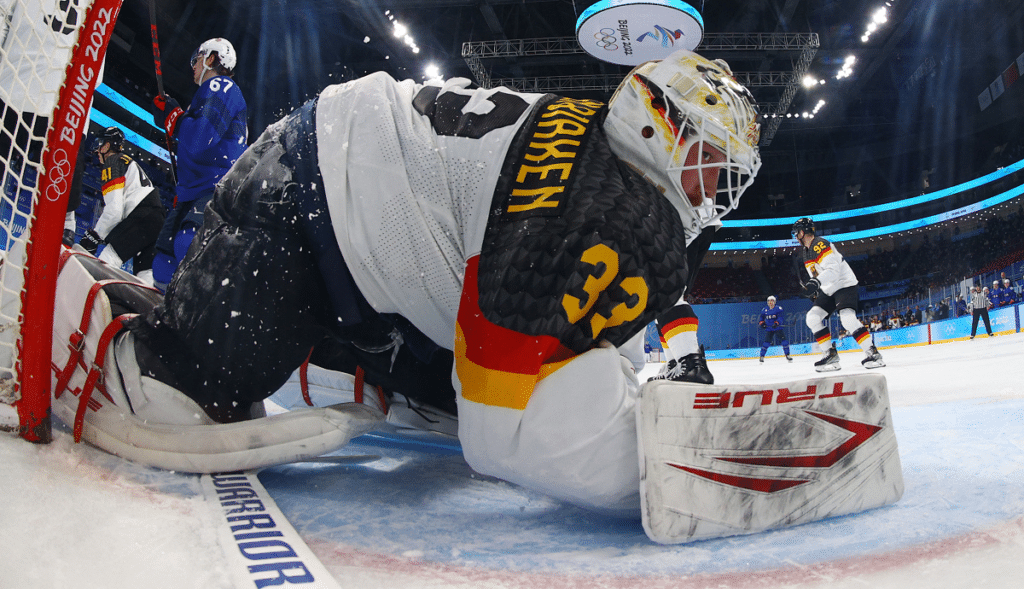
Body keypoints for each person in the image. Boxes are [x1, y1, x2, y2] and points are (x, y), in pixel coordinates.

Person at [54, 48, 763, 514]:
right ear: (655, 127)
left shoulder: (595, 167)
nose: (717, 189)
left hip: (358, 230)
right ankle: (70, 303)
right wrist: (665, 465)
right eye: (711, 159)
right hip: (300, 195)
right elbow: (507, 435)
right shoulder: (605, 206)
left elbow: (581, 342)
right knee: (173, 399)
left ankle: (346, 365)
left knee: (467, 397)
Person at [150, 37, 247, 289]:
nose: (194, 64)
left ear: (212, 58)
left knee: (186, 245)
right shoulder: (209, 93)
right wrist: (173, 119)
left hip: (214, 188)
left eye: (198, 58)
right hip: (193, 192)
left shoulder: (221, 85)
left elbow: (201, 137)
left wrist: (175, 118)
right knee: (163, 265)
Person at [792, 217, 884, 372]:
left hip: (844, 284)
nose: (795, 236)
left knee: (847, 319)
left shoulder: (820, 244)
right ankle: (830, 355)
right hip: (828, 289)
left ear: (803, 232)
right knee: (812, 318)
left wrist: (816, 283)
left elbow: (833, 270)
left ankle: (873, 354)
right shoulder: (806, 252)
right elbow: (817, 274)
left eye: (796, 232)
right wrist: (815, 289)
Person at [77, 127, 166, 286]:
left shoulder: (113, 161)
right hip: (157, 220)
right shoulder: (126, 161)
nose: (97, 149)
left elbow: (114, 210)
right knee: (144, 276)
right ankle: (144, 310)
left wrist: (95, 235)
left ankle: (94, 303)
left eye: (101, 143)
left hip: (143, 215)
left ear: (107, 145)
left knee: (109, 256)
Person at [757, 295, 792, 363]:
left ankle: (787, 355)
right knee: (766, 343)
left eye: (772, 301)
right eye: (769, 301)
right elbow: (761, 318)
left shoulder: (778, 308)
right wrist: (762, 323)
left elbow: (780, 318)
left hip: (778, 328)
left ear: (774, 302)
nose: (770, 302)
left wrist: (776, 323)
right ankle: (762, 356)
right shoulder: (764, 309)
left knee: (784, 342)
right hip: (769, 329)